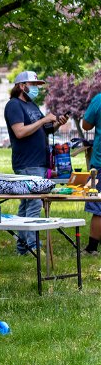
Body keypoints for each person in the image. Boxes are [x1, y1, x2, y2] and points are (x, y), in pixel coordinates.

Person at [5, 71, 68, 254]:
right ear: (21, 86)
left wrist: (57, 124)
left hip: (39, 162)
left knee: (26, 205)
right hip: (27, 163)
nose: (36, 89)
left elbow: (45, 129)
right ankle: (33, 246)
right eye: (33, 85)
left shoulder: (31, 105)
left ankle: (22, 248)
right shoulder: (13, 105)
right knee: (33, 204)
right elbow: (20, 132)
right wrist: (44, 120)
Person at [80, 91, 101, 254]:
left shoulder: (99, 99)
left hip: (99, 165)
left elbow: (86, 125)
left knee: (97, 207)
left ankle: (91, 248)